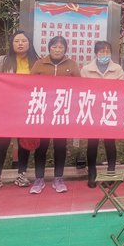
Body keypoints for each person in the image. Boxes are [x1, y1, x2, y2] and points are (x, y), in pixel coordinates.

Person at [0, 31, 40, 193]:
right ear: (12, 44)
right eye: (17, 41)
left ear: (29, 43)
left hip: (27, 108)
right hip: (7, 108)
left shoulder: (37, 61)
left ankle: (21, 174)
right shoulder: (3, 60)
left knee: (24, 142)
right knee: (2, 142)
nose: (20, 44)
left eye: (24, 41)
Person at [29, 36, 80, 194]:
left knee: (60, 145)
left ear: (65, 50)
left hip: (62, 112)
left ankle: (58, 178)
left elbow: (79, 86)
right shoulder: (39, 64)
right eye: (54, 47)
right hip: (43, 111)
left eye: (61, 47)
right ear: (49, 48)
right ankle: (39, 179)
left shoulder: (71, 65)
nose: (57, 50)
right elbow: (29, 85)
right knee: (41, 146)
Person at [81, 41, 124, 188]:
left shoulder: (117, 69)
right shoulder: (86, 70)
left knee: (110, 142)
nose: (104, 54)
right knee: (92, 143)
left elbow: (123, 88)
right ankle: (92, 173)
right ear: (96, 53)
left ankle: (111, 172)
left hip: (110, 109)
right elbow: (81, 89)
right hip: (93, 110)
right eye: (101, 52)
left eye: (107, 52)